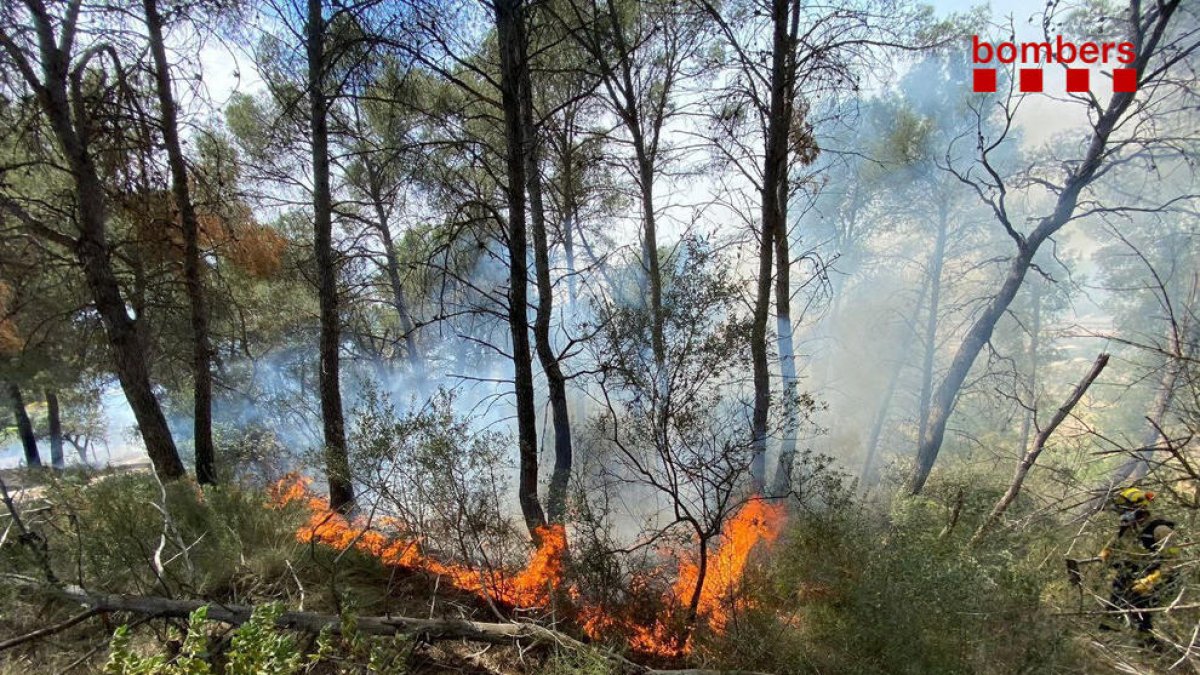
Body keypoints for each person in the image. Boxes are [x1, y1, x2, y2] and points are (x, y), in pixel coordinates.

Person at [1098, 487, 1181, 642]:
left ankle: (1147, 640)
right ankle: (1109, 629)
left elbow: (1174, 562)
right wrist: (1106, 551)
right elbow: (1116, 544)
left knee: (1141, 602)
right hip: (1140, 572)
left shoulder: (1161, 530)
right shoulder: (1129, 527)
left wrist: (1150, 580)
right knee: (1120, 582)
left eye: (1125, 509)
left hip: (1162, 578)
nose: (1121, 514)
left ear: (1140, 508)